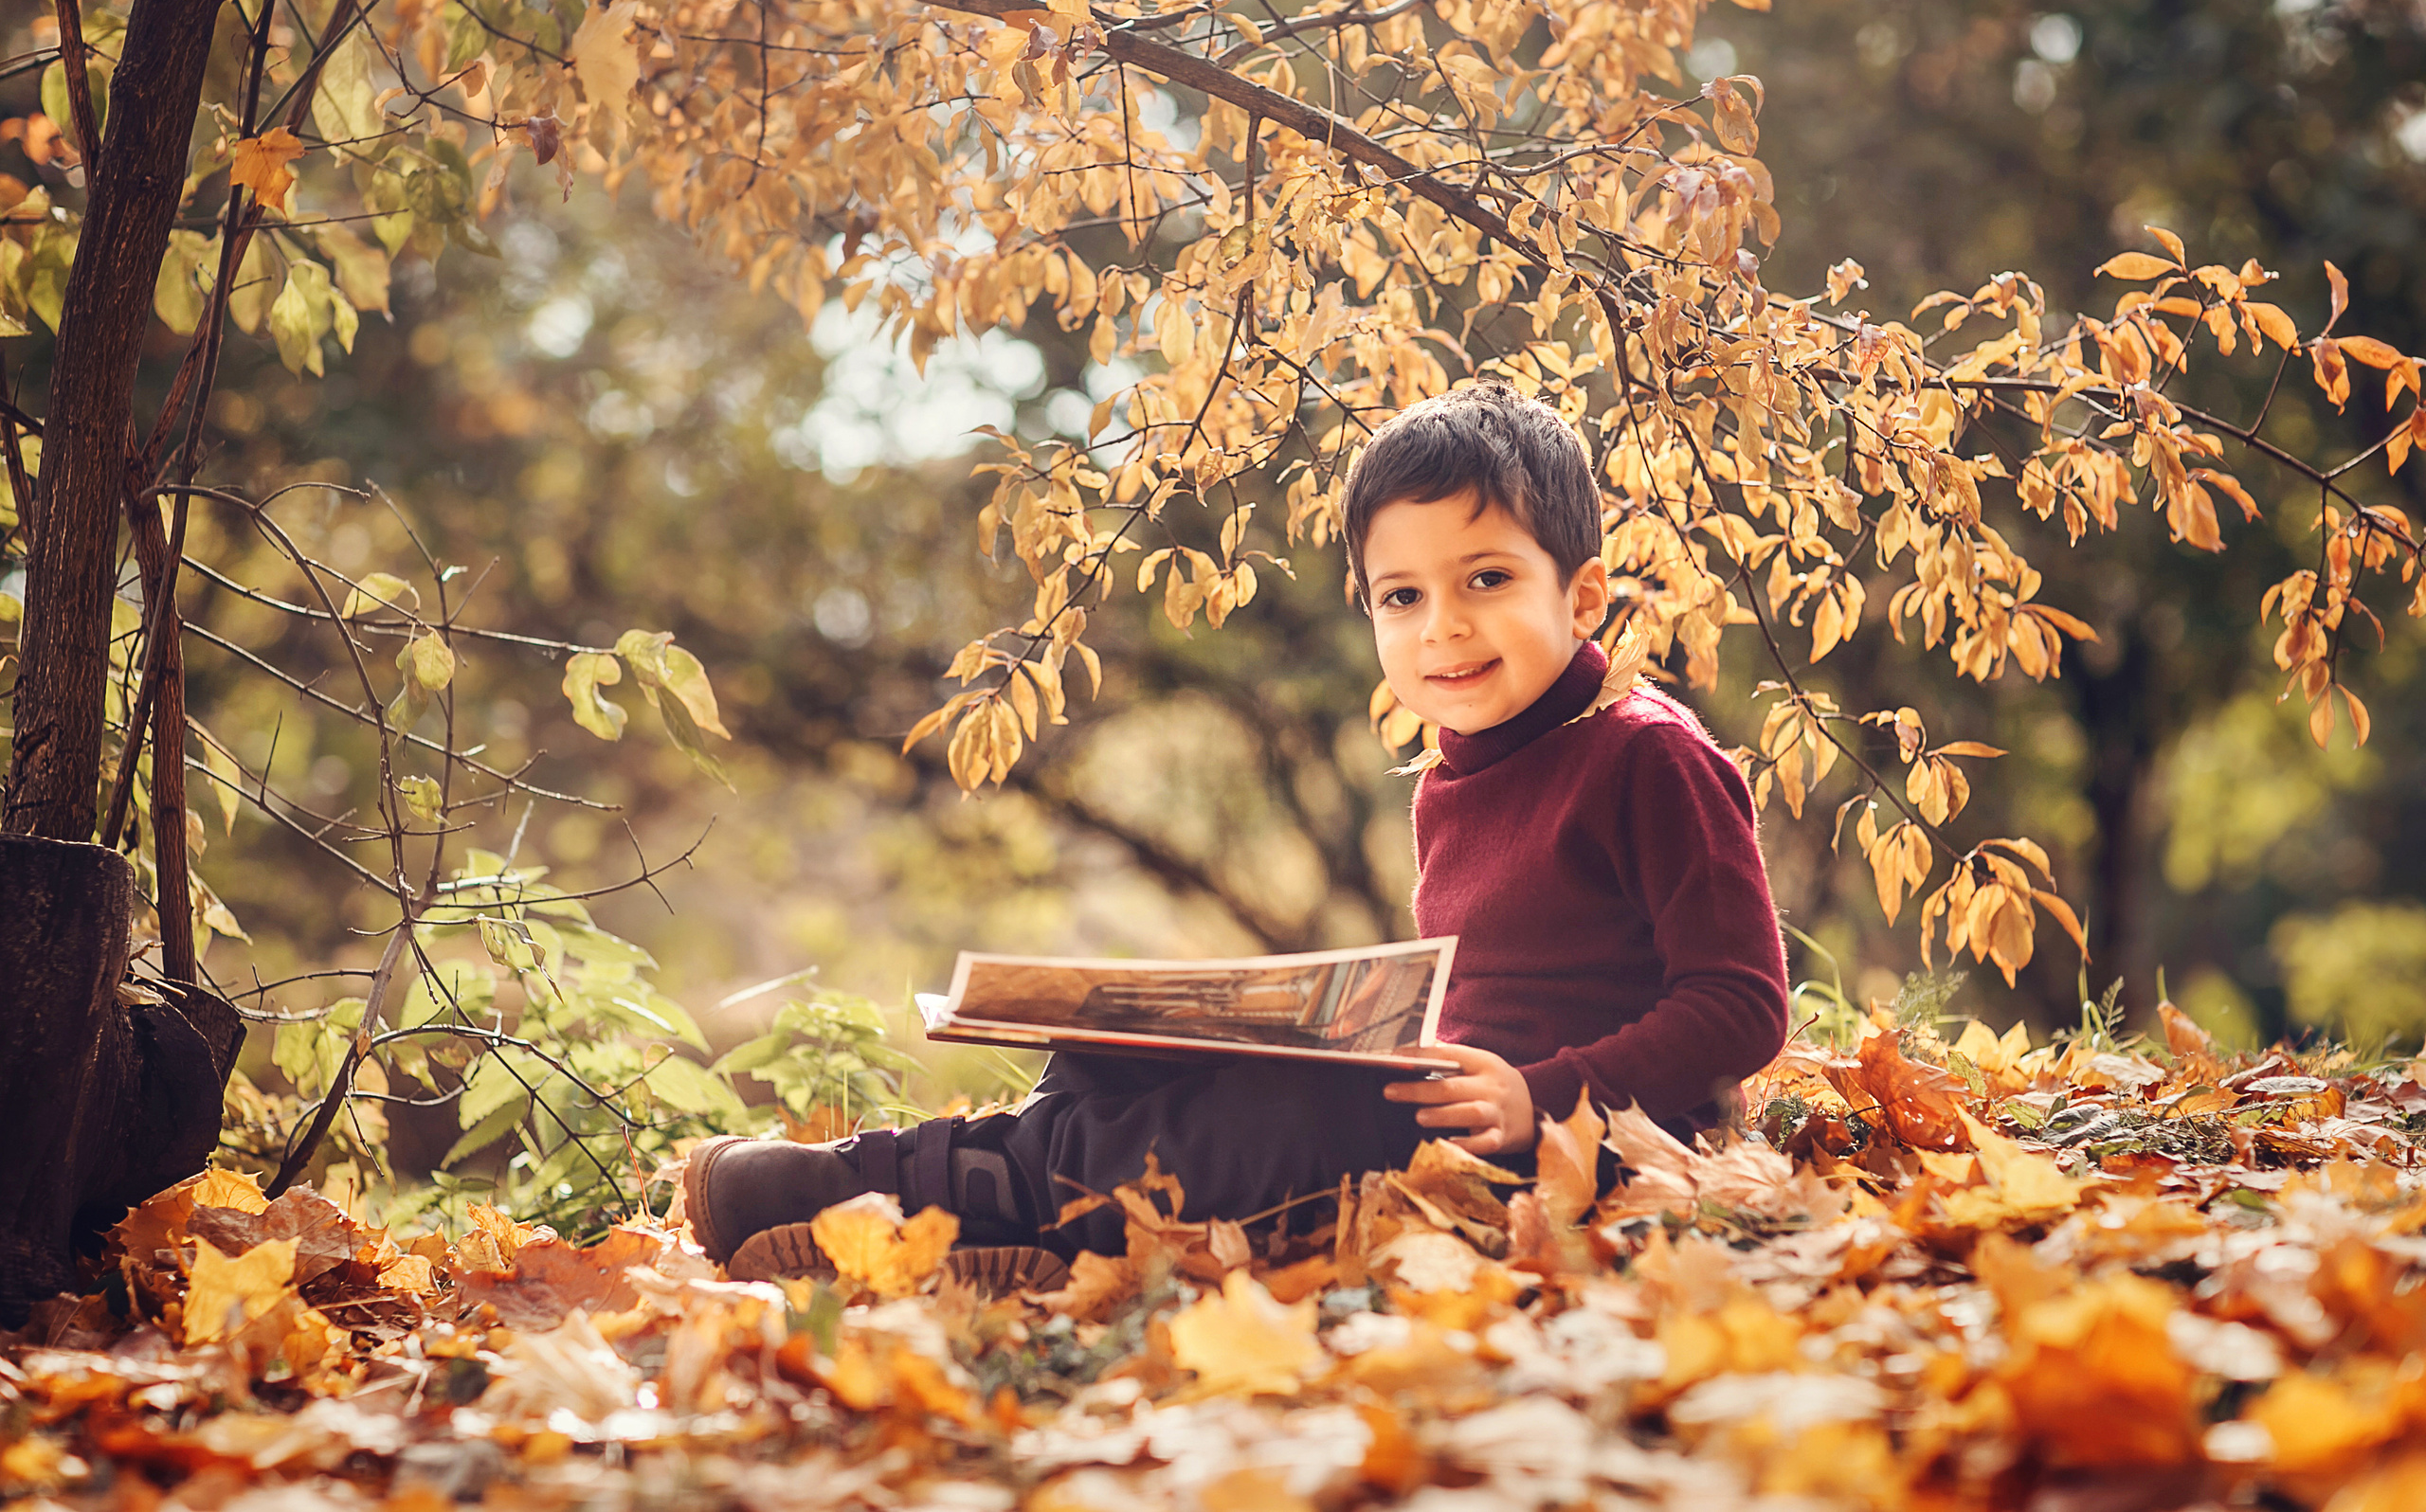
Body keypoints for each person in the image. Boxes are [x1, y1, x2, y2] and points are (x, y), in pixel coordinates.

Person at [683, 381, 1789, 1277]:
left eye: (1487, 578)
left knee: (1290, 1112)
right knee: (1109, 1059)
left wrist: (1535, 1096)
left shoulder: (1646, 751)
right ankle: (998, 1200)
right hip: (1468, 1107)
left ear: (1582, 594)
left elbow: (1740, 1004)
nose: (1443, 625)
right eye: (1400, 596)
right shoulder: (1459, 770)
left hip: (1580, 1146)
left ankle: (908, 1197)